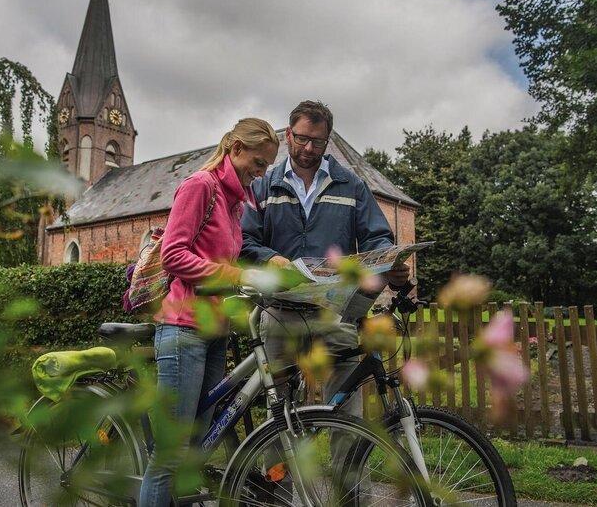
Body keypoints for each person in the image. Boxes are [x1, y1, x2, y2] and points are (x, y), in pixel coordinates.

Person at [139, 117, 279, 507]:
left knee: (195, 449)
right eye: (258, 162)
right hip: (183, 330)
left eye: (266, 166)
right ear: (235, 149)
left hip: (214, 331)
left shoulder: (235, 202)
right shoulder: (201, 187)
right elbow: (173, 254)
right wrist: (233, 274)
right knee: (169, 454)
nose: (260, 172)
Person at [240, 100, 410, 415]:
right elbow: (244, 239)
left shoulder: (351, 184)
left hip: (335, 314)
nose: (308, 147)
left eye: (318, 141)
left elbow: (377, 237)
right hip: (279, 314)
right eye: (302, 138)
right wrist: (271, 258)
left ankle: (347, 467)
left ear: (327, 140)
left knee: (347, 409)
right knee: (278, 412)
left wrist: (391, 262)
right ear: (288, 135)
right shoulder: (263, 185)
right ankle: (277, 468)